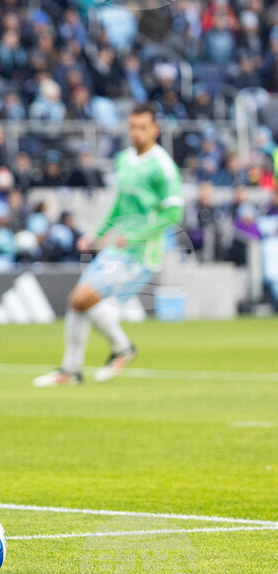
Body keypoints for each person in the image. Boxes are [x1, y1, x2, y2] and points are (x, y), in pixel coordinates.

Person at [34, 102, 183, 386]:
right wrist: (97, 233)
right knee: (78, 301)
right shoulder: (124, 160)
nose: (137, 133)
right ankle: (77, 368)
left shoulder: (163, 167)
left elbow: (174, 214)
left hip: (142, 252)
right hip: (117, 247)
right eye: (133, 127)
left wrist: (137, 236)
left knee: (83, 298)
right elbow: (120, 204)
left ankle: (110, 352)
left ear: (155, 129)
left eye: (143, 127)